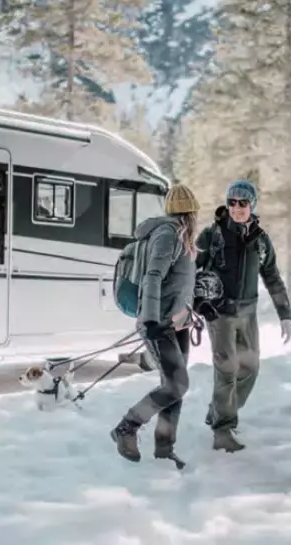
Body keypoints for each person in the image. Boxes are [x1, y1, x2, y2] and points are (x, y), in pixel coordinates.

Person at [195, 179, 291, 453]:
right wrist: (196, 302)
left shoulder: (260, 240)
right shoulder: (212, 235)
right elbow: (190, 270)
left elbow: (272, 277)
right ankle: (223, 431)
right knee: (227, 370)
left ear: (252, 205)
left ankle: (219, 412)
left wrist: (285, 314)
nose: (237, 208)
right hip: (219, 314)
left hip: (248, 314)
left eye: (243, 203)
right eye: (232, 202)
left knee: (250, 369)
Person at [110, 183, 201, 466]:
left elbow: (179, 282)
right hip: (158, 323)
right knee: (177, 385)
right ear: (191, 212)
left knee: (173, 388)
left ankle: (164, 450)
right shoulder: (167, 234)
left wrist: (198, 306)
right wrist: (150, 319)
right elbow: (152, 277)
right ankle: (127, 427)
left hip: (178, 322)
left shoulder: (183, 236)